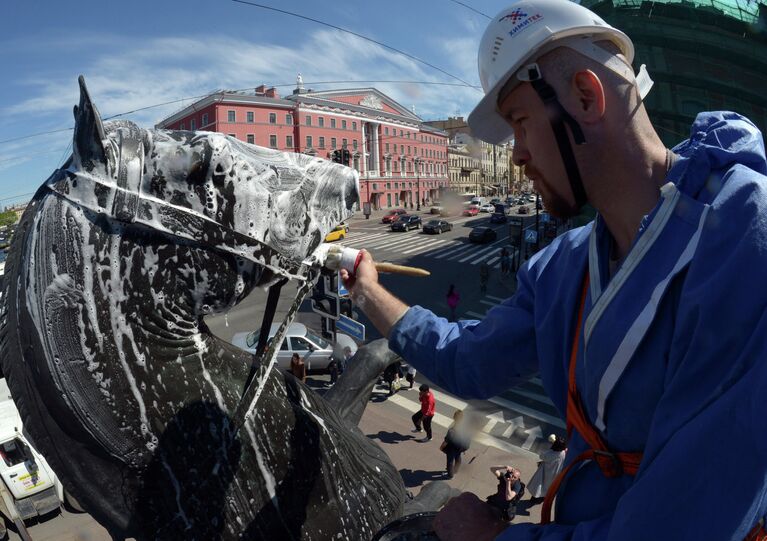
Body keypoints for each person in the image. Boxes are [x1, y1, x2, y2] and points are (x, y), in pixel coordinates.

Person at [339, 0, 767, 538]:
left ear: (586, 97)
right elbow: (468, 361)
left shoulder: (745, 240)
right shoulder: (564, 266)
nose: (517, 154)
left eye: (521, 122)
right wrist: (368, 291)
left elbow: (689, 523)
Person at [527, 434, 567, 505]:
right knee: (549, 488)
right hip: (556, 473)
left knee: (540, 486)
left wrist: (550, 449)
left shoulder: (549, 454)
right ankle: (543, 499)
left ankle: (534, 500)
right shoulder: (563, 453)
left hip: (546, 472)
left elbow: (541, 456)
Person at [441, 409, 472, 479]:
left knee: (450, 462)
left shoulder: (452, 430)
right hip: (461, 447)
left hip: (452, 448)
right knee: (458, 457)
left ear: (454, 418)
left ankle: (450, 475)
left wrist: (441, 447)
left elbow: (447, 441)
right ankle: (456, 470)